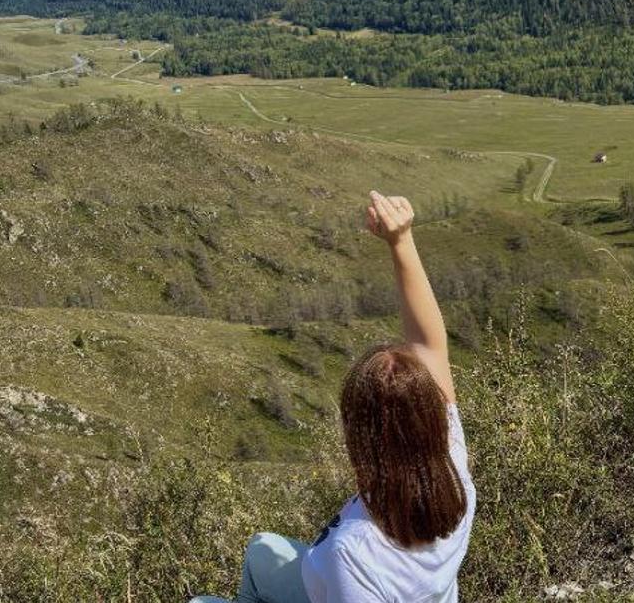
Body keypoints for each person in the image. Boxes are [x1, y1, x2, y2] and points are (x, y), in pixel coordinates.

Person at [190, 191, 475, 603]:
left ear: (361, 438)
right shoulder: (451, 466)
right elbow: (429, 343)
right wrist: (401, 241)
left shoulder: (354, 554)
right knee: (261, 550)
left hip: (345, 586)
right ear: (431, 417)